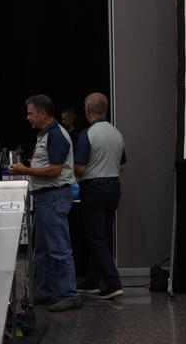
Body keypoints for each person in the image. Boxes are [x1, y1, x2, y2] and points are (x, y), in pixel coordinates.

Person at [9, 94, 81, 312]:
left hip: (54, 196)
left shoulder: (56, 135)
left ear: (42, 113)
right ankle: (46, 292)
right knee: (43, 249)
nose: (28, 117)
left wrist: (25, 170)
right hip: (44, 197)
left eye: (31, 113)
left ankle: (70, 295)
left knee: (59, 248)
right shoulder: (44, 134)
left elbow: (55, 170)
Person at [74, 92, 126, 299]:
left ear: (87, 110)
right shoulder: (117, 133)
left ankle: (113, 283)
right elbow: (122, 165)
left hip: (94, 187)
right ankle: (92, 282)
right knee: (102, 236)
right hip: (113, 186)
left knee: (95, 237)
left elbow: (80, 167)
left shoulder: (87, 134)